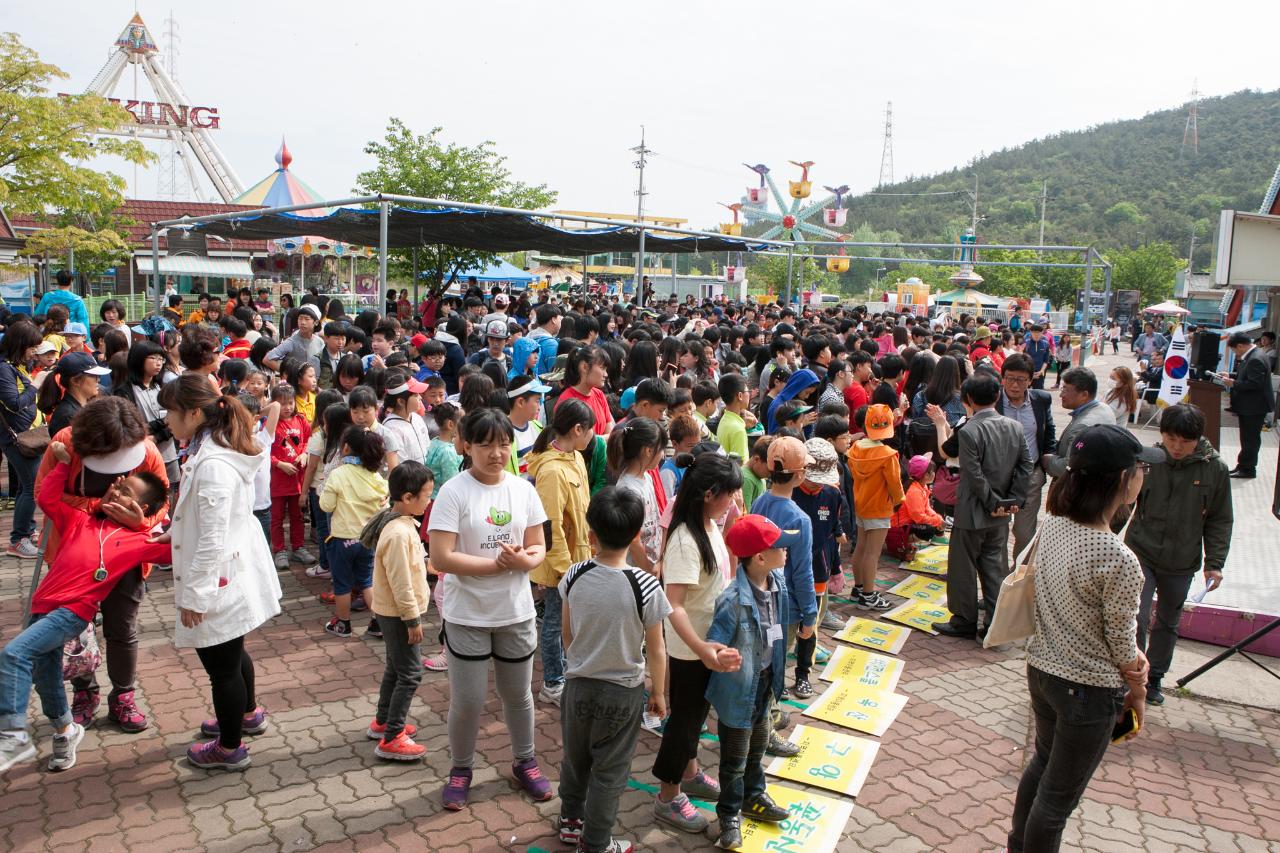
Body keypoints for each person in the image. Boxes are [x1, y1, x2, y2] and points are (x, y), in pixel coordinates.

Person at [1008, 424, 1159, 852]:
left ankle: (1016, 845)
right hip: (1088, 690)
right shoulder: (1118, 557)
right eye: (1140, 468)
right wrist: (1138, 687)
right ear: (1122, 479)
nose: (1143, 475)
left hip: (1042, 670)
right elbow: (1120, 639)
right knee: (1056, 801)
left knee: (1041, 766)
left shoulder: (1052, 523)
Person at [0, 451, 169, 774]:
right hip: (43, 605)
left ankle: (11, 735)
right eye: (116, 488)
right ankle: (66, 730)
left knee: (13, 655)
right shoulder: (82, 520)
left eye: (125, 493)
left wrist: (145, 525)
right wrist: (63, 464)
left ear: (141, 508)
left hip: (71, 612)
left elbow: (180, 549)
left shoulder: (139, 540)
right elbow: (48, 499)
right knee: (44, 675)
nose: (115, 493)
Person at [158, 374, 283, 770]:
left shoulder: (213, 462)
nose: (166, 419)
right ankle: (246, 714)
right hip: (231, 567)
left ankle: (230, 748)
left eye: (171, 412)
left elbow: (212, 538)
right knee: (233, 650)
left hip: (218, 575)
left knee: (221, 667)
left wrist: (195, 594)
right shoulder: (217, 446)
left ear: (194, 413)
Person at [428, 408, 550, 812]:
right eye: (485, 444)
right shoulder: (454, 492)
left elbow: (538, 546)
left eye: (502, 443)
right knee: (468, 700)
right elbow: (441, 558)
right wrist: (496, 565)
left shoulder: (523, 489)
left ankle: (525, 761)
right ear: (466, 445)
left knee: (518, 696)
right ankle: (461, 770)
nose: (496, 452)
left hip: (515, 611)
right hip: (468, 616)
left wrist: (525, 561)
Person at [555, 487, 671, 853]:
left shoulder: (574, 574)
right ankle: (597, 843)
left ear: (591, 535)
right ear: (636, 535)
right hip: (622, 692)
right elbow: (656, 647)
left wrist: (580, 660)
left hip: (577, 686)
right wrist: (658, 692)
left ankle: (570, 821)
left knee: (575, 760)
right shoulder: (646, 585)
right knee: (609, 772)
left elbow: (567, 633)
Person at [651, 454, 743, 834]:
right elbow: (673, 605)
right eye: (730, 495)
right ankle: (667, 796)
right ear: (709, 493)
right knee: (685, 723)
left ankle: (689, 772)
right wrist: (703, 649)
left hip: (708, 644)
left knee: (695, 717)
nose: (734, 503)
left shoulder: (707, 524)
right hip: (692, 649)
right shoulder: (686, 540)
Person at [1125, 404, 1233, 705]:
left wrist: (1215, 564)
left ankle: (1155, 676)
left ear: (1198, 438)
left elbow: (1220, 519)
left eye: (1184, 441)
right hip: (1141, 552)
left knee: (1168, 622)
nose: (1176, 447)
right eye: (1171, 439)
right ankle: (1132, 675)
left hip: (1181, 560)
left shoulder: (1215, 469)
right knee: (1137, 615)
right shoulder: (1149, 461)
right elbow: (1125, 503)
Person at [706, 514, 798, 849]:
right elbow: (713, 643)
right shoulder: (732, 600)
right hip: (738, 690)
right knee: (734, 757)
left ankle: (754, 796)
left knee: (758, 744)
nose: (785, 551)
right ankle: (729, 813)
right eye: (779, 546)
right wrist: (719, 655)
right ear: (760, 557)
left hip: (764, 683)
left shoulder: (777, 584)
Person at [934, 373, 1033, 639]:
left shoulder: (969, 430)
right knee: (995, 568)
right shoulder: (1014, 426)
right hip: (1002, 511)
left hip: (973, 510)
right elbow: (1026, 465)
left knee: (963, 568)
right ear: (997, 396)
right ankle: (995, 620)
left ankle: (964, 620)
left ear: (967, 399)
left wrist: (993, 502)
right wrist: (1012, 500)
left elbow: (973, 474)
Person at [526, 398, 596, 707]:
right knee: (555, 623)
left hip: (579, 560)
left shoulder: (575, 458)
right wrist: (564, 569)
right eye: (590, 430)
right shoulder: (552, 470)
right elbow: (549, 525)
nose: (593, 436)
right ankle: (553, 682)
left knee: (572, 623)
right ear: (577, 429)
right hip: (561, 565)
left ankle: (567, 673)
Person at [320, 428, 390, 638]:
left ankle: (343, 624)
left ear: (346, 447)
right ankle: (378, 623)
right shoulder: (377, 478)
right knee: (367, 581)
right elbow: (383, 506)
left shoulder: (338, 474)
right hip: (366, 540)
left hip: (342, 540)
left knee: (342, 584)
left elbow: (326, 505)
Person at [995, 353, 1057, 560]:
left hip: (1031, 476)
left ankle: (1018, 576)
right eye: (1010, 378)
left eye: (1021, 380)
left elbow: (1049, 429)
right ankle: (998, 575)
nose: (1014, 385)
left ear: (1030, 380)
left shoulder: (1041, 400)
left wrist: (1048, 455)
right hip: (999, 478)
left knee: (1024, 532)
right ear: (1002, 378)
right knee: (998, 531)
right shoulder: (993, 400)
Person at [847, 404, 903, 612]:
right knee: (873, 553)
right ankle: (869, 595)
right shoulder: (888, 454)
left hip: (860, 503)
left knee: (861, 546)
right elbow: (895, 484)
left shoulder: (856, 448)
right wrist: (899, 500)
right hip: (879, 507)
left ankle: (858, 588)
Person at [0, 320, 45, 558]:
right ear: (20, 344)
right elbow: (14, 404)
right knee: (32, 488)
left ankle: (27, 530)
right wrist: (36, 385)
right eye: (31, 347)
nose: (34, 352)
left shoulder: (14, 365)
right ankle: (18, 540)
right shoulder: (4, 369)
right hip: (16, 438)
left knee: (26, 487)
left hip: (27, 435)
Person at [268, 385, 314, 569]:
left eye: (290, 403)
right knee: (277, 517)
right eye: (282, 403)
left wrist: (304, 454)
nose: (287, 407)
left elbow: (308, 442)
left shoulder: (300, 421)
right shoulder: (270, 424)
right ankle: (279, 550)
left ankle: (298, 547)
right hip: (278, 481)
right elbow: (263, 450)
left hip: (297, 480)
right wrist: (279, 464)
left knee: (297, 516)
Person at [1043, 368, 1118, 478]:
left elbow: (1069, 467)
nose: (1061, 395)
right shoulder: (1104, 408)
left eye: (1066, 390)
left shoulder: (1082, 426)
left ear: (1084, 395)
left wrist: (1048, 460)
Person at [1221, 331, 1275, 479]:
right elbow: (1248, 376)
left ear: (1240, 346)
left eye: (1234, 350)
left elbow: (1254, 384)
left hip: (1254, 406)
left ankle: (1248, 469)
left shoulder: (1255, 358)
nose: (1234, 353)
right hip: (1251, 405)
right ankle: (1243, 465)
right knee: (1247, 438)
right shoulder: (1254, 354)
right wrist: (1232, 377)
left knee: (1250, 439)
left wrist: (1233, 383)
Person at [262, 305, 324, 373]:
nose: (302, 322)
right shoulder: (291, 342)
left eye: (307, 319)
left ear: (316, 322)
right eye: (300, 318)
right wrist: (289, 374)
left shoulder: (320, 342)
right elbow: (267, 359)